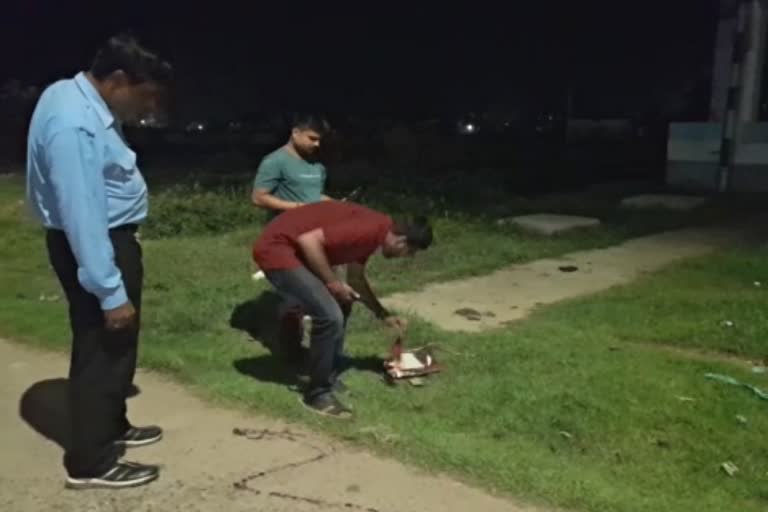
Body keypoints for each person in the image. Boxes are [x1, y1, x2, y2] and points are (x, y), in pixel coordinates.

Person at [26, 33, 172, 490]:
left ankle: (111, 425)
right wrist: (109, 289)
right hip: (95, 243)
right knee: (101, 347)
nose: (145, 108)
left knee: (119, 344)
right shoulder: (74, 122)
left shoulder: (75, 98)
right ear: (118, 80)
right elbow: (81, 212)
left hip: (107, 238)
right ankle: (90, 461)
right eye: (143, 96)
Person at [253, 201, 433, 418]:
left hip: (296, 251)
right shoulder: (369, 229)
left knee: (342, 302)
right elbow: (309, 241)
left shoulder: (374, 234)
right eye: (410, 252)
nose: (407, 257)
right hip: (277, 249)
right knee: (330, 316)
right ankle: (316, 393)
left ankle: (326, 371)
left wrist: (382, 314)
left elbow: (355, 279)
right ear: (402, 240)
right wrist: (333, 283)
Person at [251, 114, 338, 363]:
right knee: (295, 299)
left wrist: (337, 207)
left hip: (314, 240)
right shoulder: (275, 161)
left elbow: (315, 196)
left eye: (320, 140)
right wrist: (297, 207)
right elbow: (259, 197)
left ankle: (318, 351)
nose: (316, 144)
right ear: (295, 133)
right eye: (312, 138)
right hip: (285, 241)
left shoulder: (316, 165)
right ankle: (290, 350)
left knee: (321, 295)